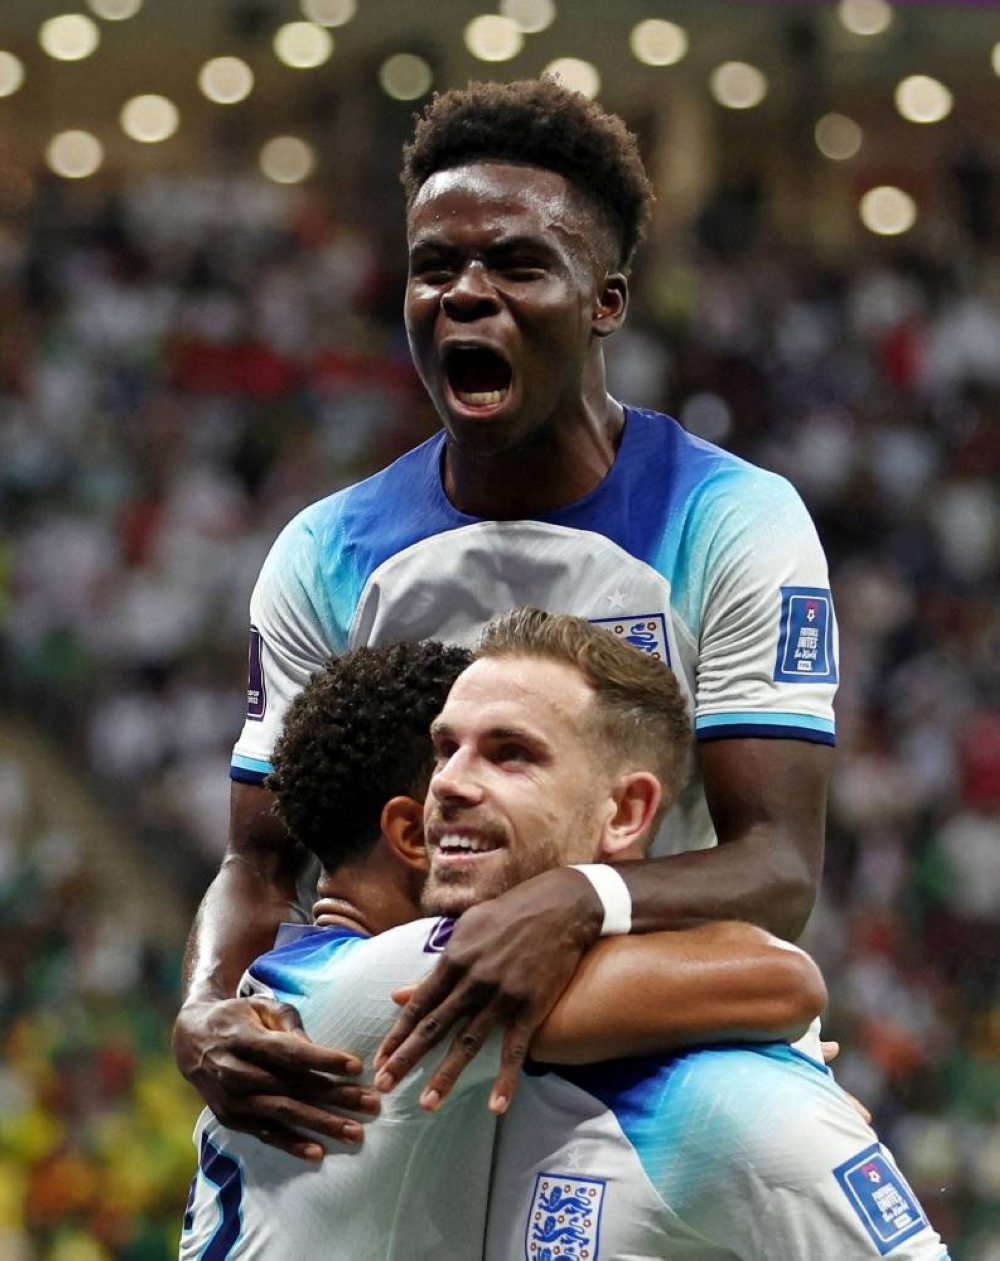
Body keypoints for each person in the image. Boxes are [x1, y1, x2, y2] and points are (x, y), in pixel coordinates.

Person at [174, 77, 840, 1154]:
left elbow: (778, 866)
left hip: (653, 1061)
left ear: (604, 300)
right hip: (416, 1052)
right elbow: (258, 863)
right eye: (433, 267)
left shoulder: (731, 518)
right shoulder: (326, 551)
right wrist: (203, 1009)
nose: (464, 294)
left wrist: (578, 897)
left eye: (517, 263)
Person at [184, 612, 947, 1259]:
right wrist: (796, 1039)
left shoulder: (726, 1104)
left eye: (510, 752)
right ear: (407, 829)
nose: (451, 783)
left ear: (626, 812)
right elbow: (779, 978)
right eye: (445, 750)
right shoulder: (363, 997)